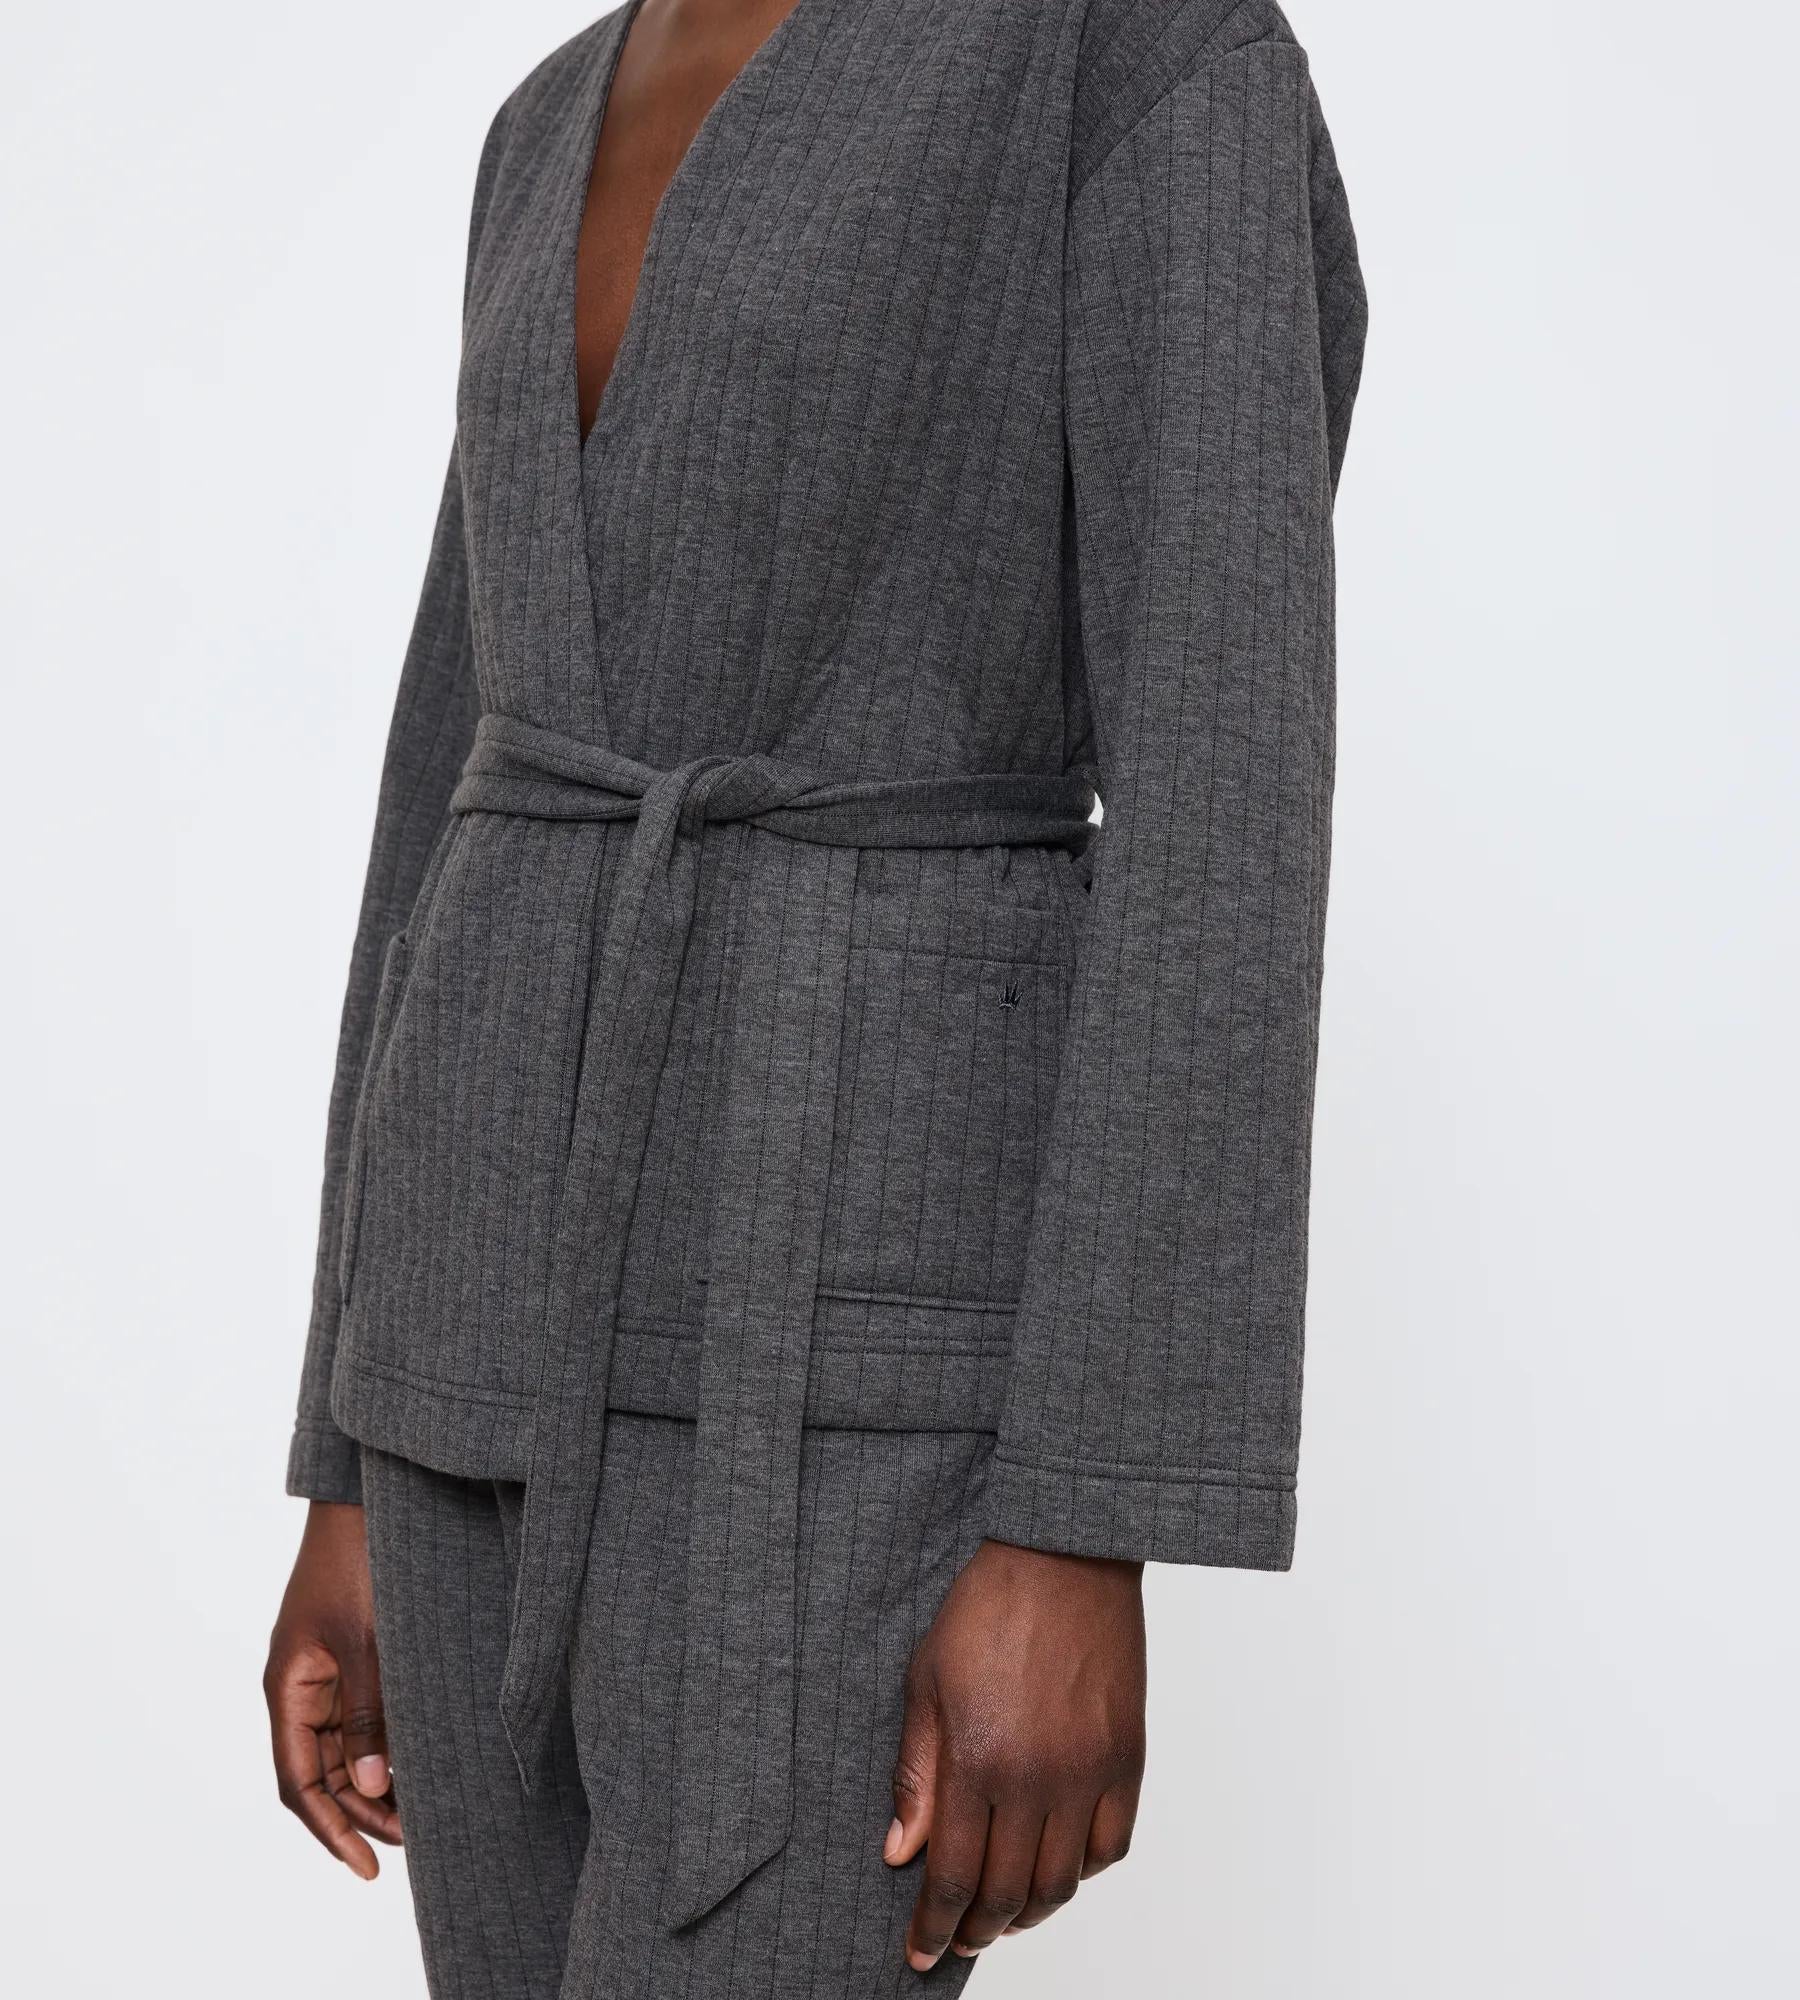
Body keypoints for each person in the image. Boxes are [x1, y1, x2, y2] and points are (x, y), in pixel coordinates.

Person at [264, 0, 1366, 1990]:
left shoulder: (1130, 48)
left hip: (851, 1327)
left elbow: (1227, 783)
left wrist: (1082, 1516)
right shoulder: (543, 119)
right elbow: (454, 765)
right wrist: (348, 1443)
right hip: (465, 1334)